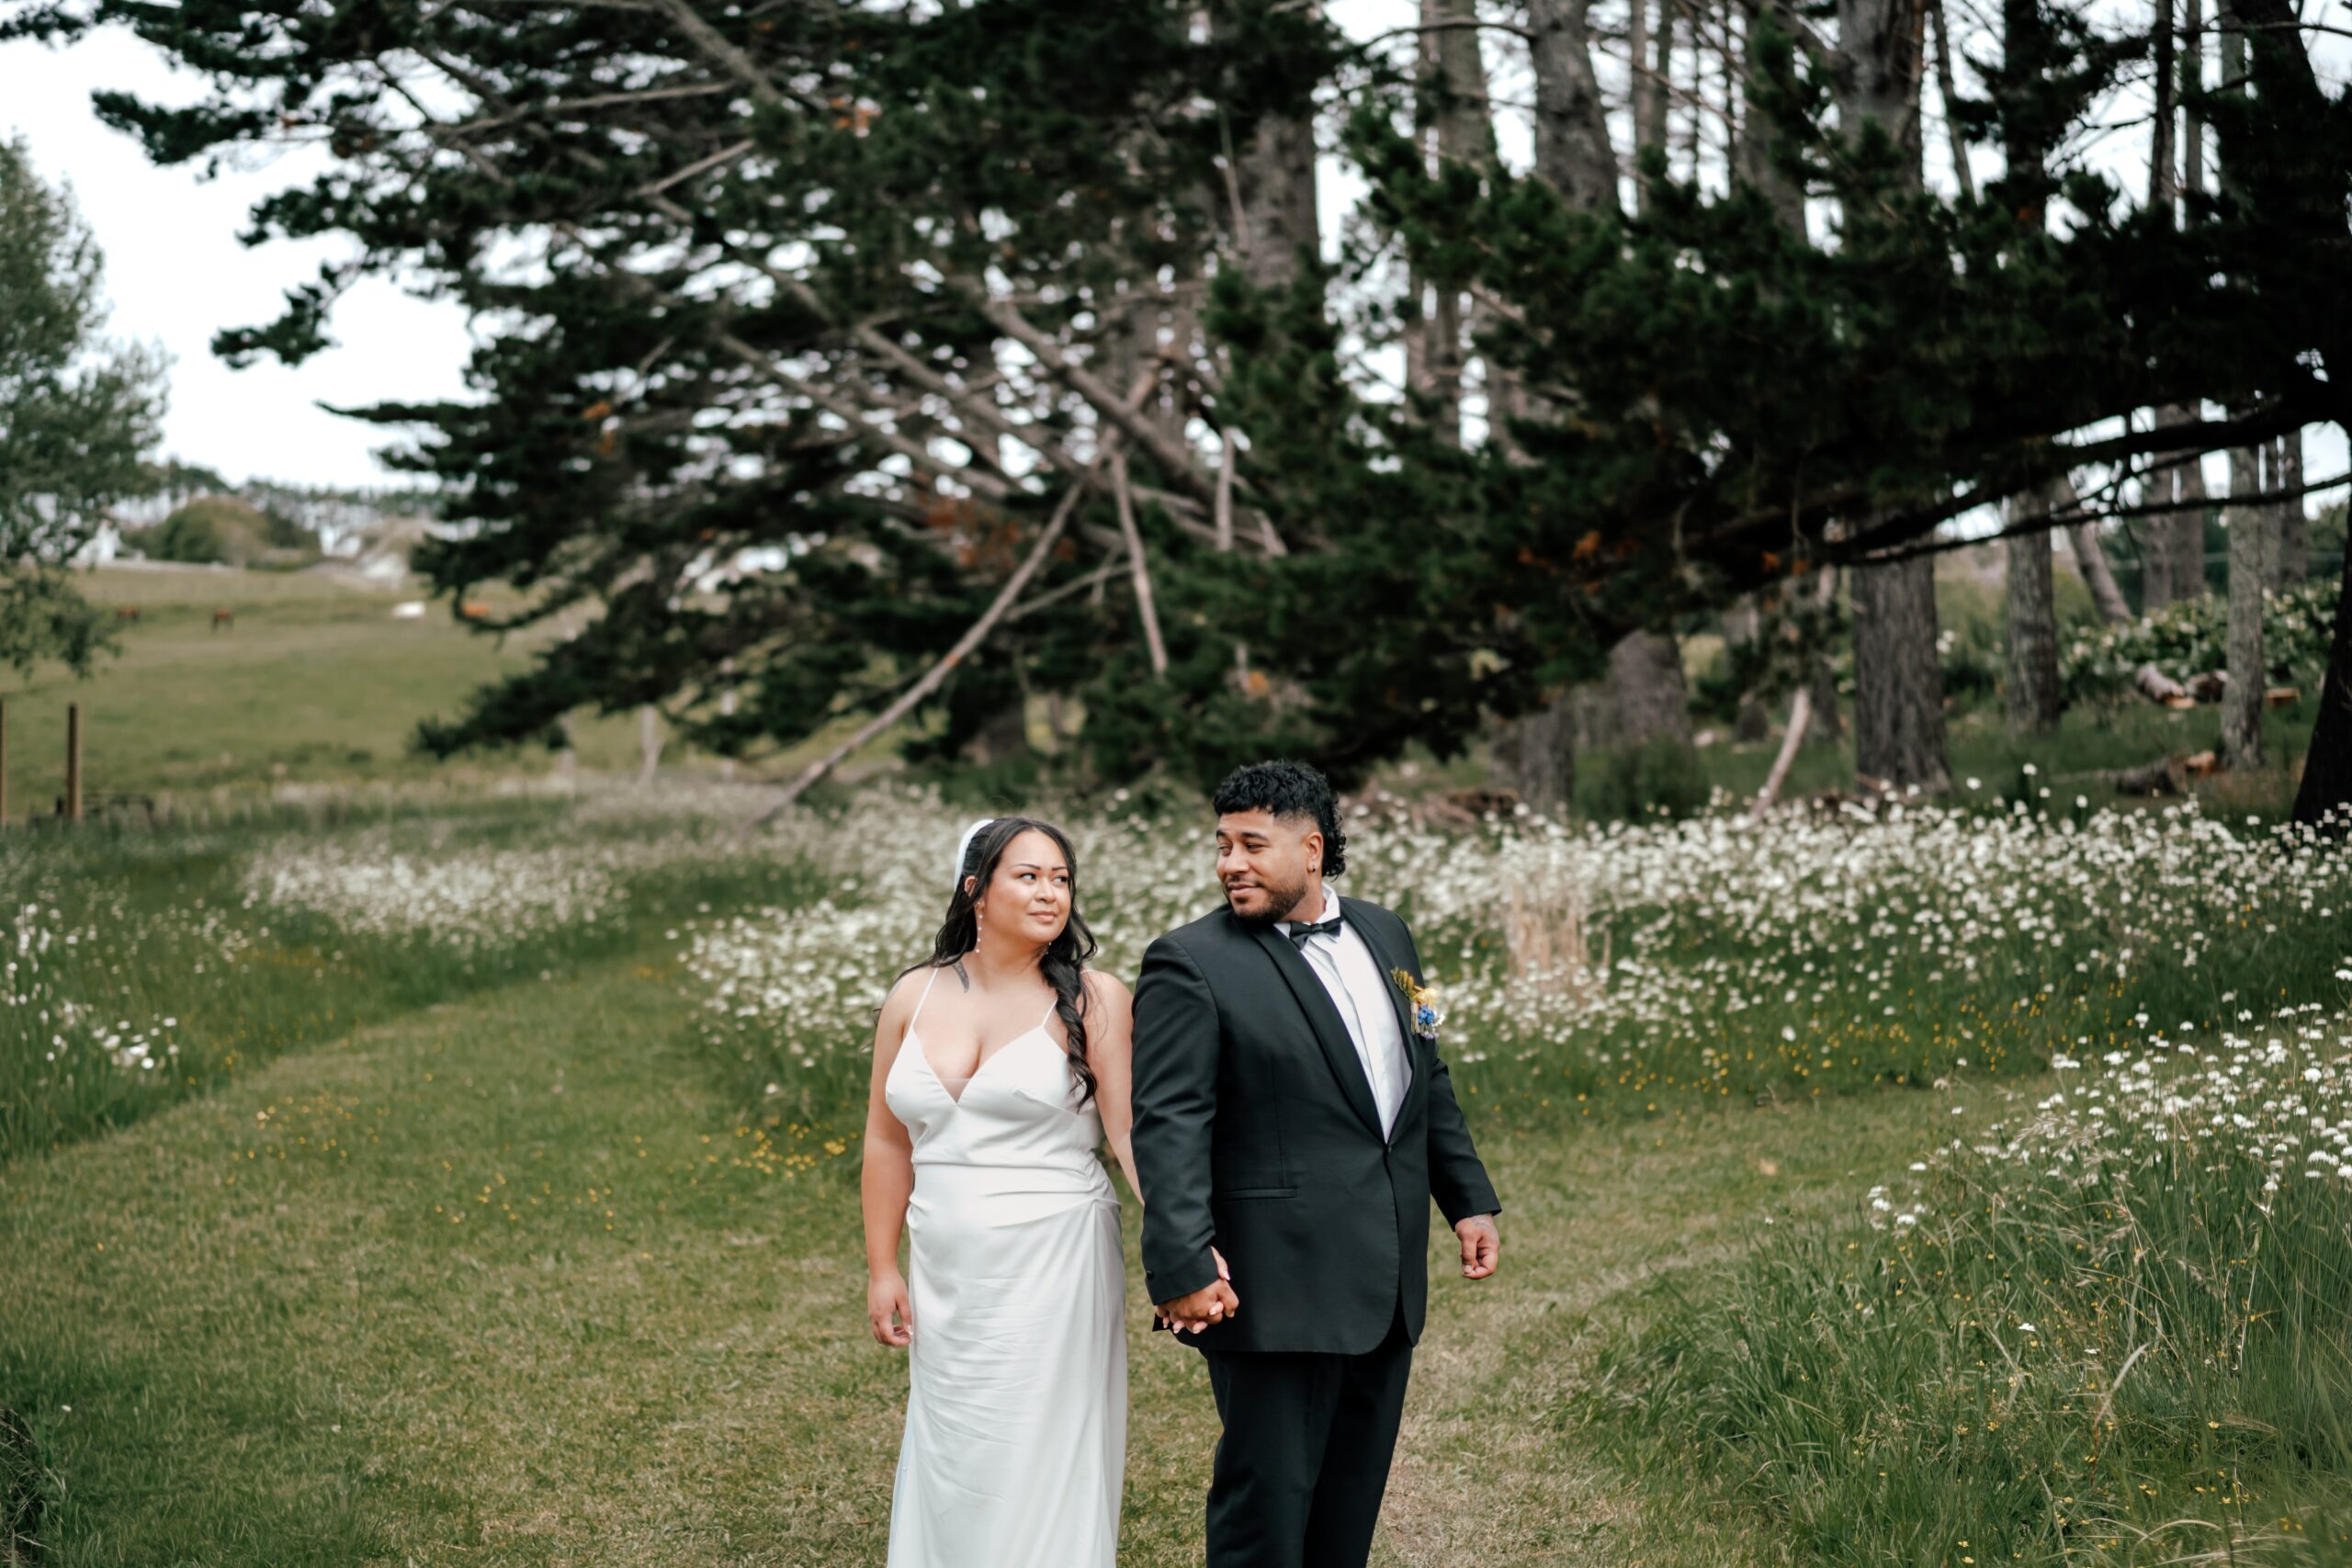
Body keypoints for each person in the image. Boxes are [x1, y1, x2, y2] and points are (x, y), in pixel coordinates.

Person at [1131, 760, 1504, 1568]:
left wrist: (1467, 1198)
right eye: (1223, 845)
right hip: (1275, 1286)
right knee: (1265, 1514)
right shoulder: (1189, 961)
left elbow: (1425, 1075)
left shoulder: (1387, 932)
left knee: (1348, 1507)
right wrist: (1181, 1261)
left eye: (1251, 844)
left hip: (1387, 1279)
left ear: (1312, 849)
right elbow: (1168, 1123)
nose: (1230, 863)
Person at [862, 816, 1140, 1568]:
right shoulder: (913, 994)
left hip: (1056, 1260)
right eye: (1029, 875)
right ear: (976, 891)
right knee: (956, 1445)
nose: (1051, 892)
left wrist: (1189, 1241)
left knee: (1040, 1451)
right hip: (946, 1267)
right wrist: (883, 1266)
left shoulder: (1096, 999)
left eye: (1061, 878)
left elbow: (1129, 1138)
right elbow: (887, 1140)